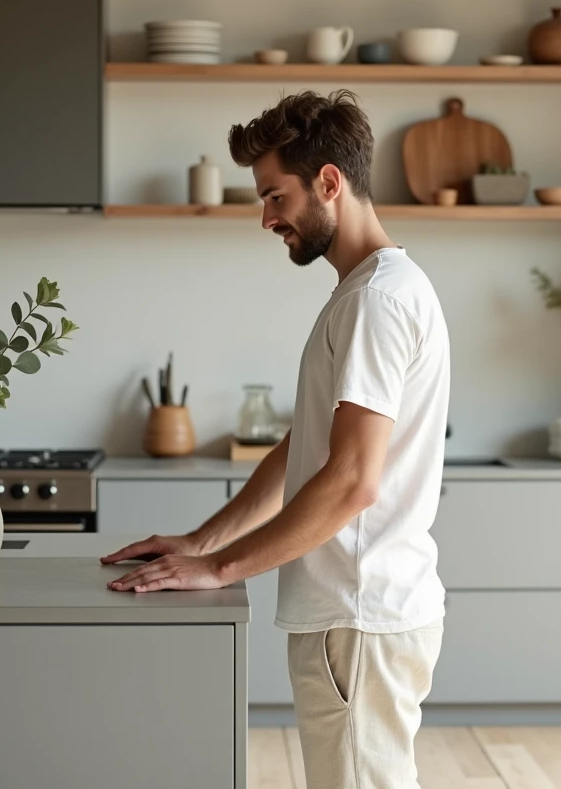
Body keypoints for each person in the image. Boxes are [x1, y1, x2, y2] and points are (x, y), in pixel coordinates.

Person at [101, 89, 451, 789]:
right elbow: (303, 450)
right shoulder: (367, 292)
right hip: (357, 617)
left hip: (359, 616)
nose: (266, 218)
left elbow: (353, 481)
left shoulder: (376, 302)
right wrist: (201, 544)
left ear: (329, 183)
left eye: (275, 196)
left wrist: (222, 570)